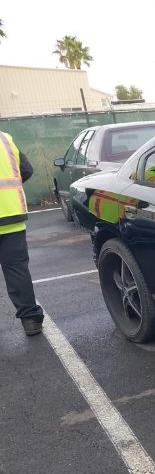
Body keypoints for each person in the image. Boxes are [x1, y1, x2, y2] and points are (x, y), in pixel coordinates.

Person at [0, 131, 43, 336]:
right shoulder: (5, 138)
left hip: (11, 215)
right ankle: (31, 320)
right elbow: (26, 170)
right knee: (17, 270)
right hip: (10, 214)